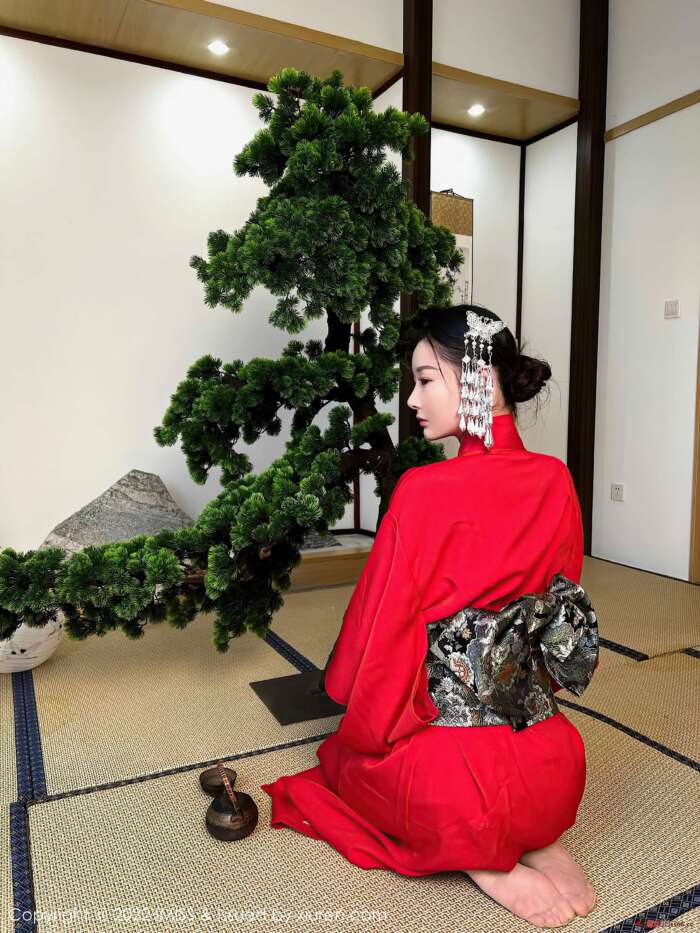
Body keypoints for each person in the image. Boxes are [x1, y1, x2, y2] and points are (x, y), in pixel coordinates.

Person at [260, 304, 598, 929]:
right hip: (554, 768)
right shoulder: (556, 480)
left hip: (456, 782)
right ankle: (536, 837)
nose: (412, 400)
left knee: (347, 763)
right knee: (524, 772)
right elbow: (561, 615)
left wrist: (360, 718)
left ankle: (484, 858)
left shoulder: (423, 489)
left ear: (478, 379)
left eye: (424, 380)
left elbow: (381, 630)